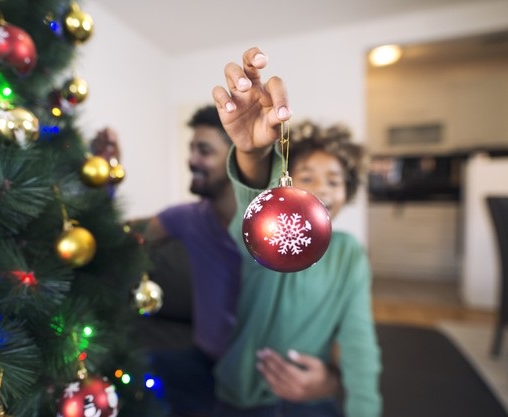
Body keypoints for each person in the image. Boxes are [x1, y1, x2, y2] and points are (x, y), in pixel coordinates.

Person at [93, 106, 342, 417]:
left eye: (204, 150)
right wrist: (104, 178)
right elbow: (119, 238)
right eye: (192, 149)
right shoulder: (185, 218)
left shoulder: (283, 229)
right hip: (205, 362)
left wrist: (331, 378)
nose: (191, 159)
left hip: (270, 373)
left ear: (234, 159)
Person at [210, 47, 382, 417]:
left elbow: (358, 339)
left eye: (333, 180)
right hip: (240, 394)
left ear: (347, 192)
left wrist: (336, 385)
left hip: (312, 397)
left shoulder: (349, 254)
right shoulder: (265, 238)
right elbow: (251, 215)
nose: (320, 189)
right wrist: (253, 155)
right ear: (284, 186)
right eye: (306, 178)